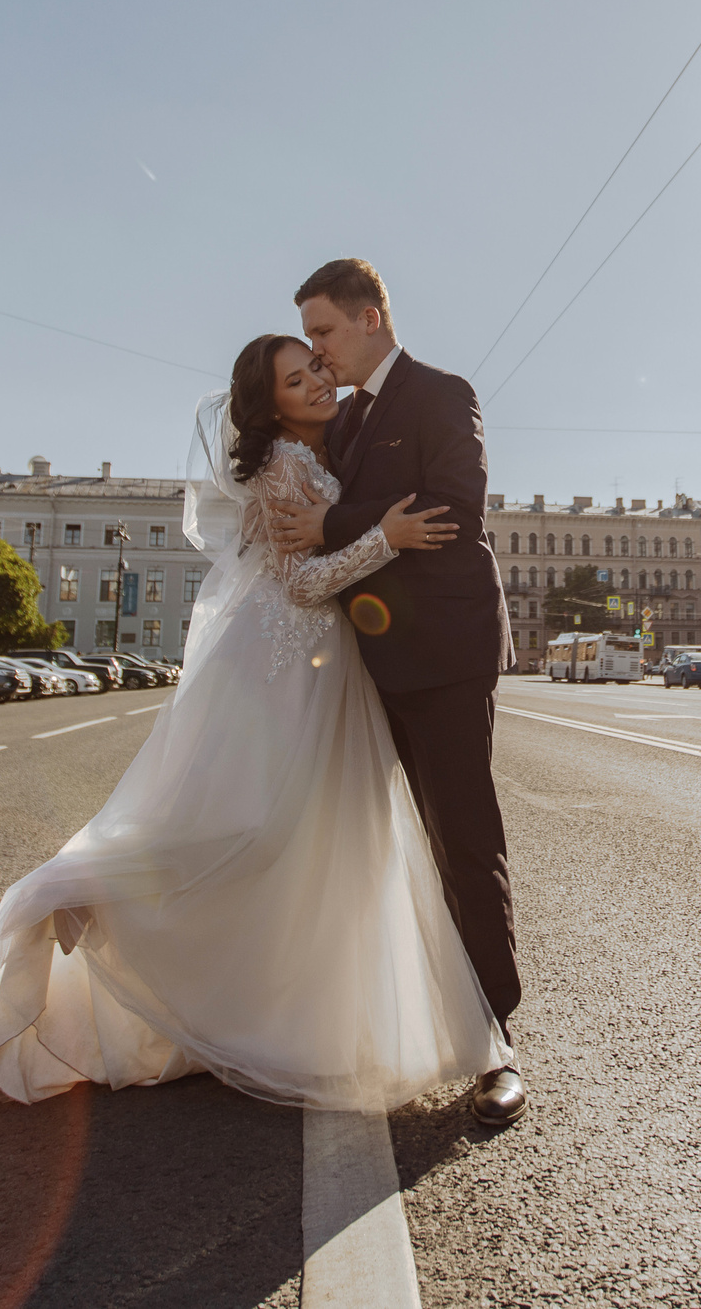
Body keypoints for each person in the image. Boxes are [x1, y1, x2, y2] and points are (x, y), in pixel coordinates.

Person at [0, 331, 506, 1117]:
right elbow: (304, 582)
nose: (317, 377)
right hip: (281, 664)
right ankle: (79, 893)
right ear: (269, 403)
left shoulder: (336, 444)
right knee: (246, 823)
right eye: (296, 375)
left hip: (328, 666)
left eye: (317, 364)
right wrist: (388, 535)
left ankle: (284, 1013)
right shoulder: (283, 462)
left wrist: (366, 523)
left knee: (312, 840)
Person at [265, 259, 527, 1125]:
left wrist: (335, 522)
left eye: (325, 332)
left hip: (445, 653)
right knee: (370, 848)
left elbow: (452, 506)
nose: (317, 349)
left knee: (462, 836)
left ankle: (495, 1044)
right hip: (365, 666)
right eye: (307, 337)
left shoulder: (440, 393)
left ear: (371, 317)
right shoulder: (341, 425)